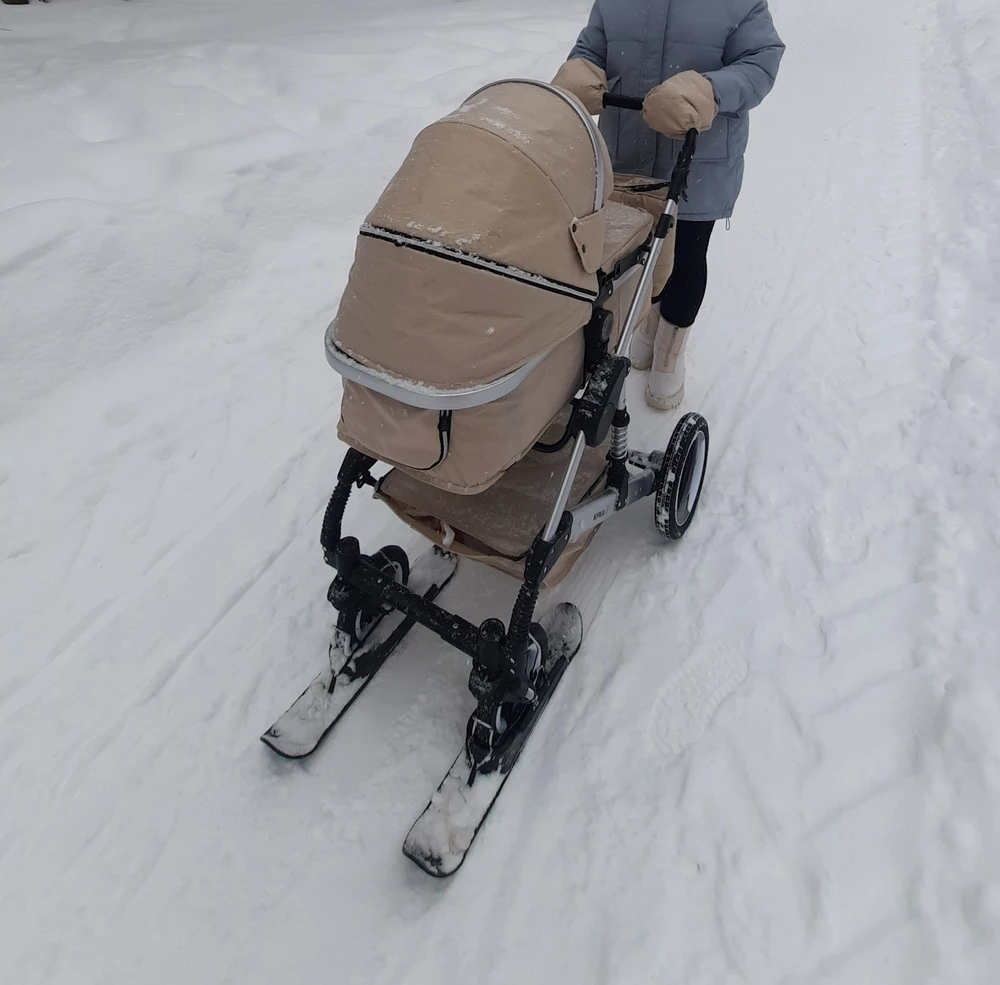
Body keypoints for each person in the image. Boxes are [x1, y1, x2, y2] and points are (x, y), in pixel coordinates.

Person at [552, 0, 784, 410]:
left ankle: (670, 353)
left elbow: (761, 62)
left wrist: (709, 89)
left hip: (699, 160)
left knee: (686, 258)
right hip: (626, 157)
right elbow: (592, 47)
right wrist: (582, 69)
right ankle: (645, 326)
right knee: (629, 257)